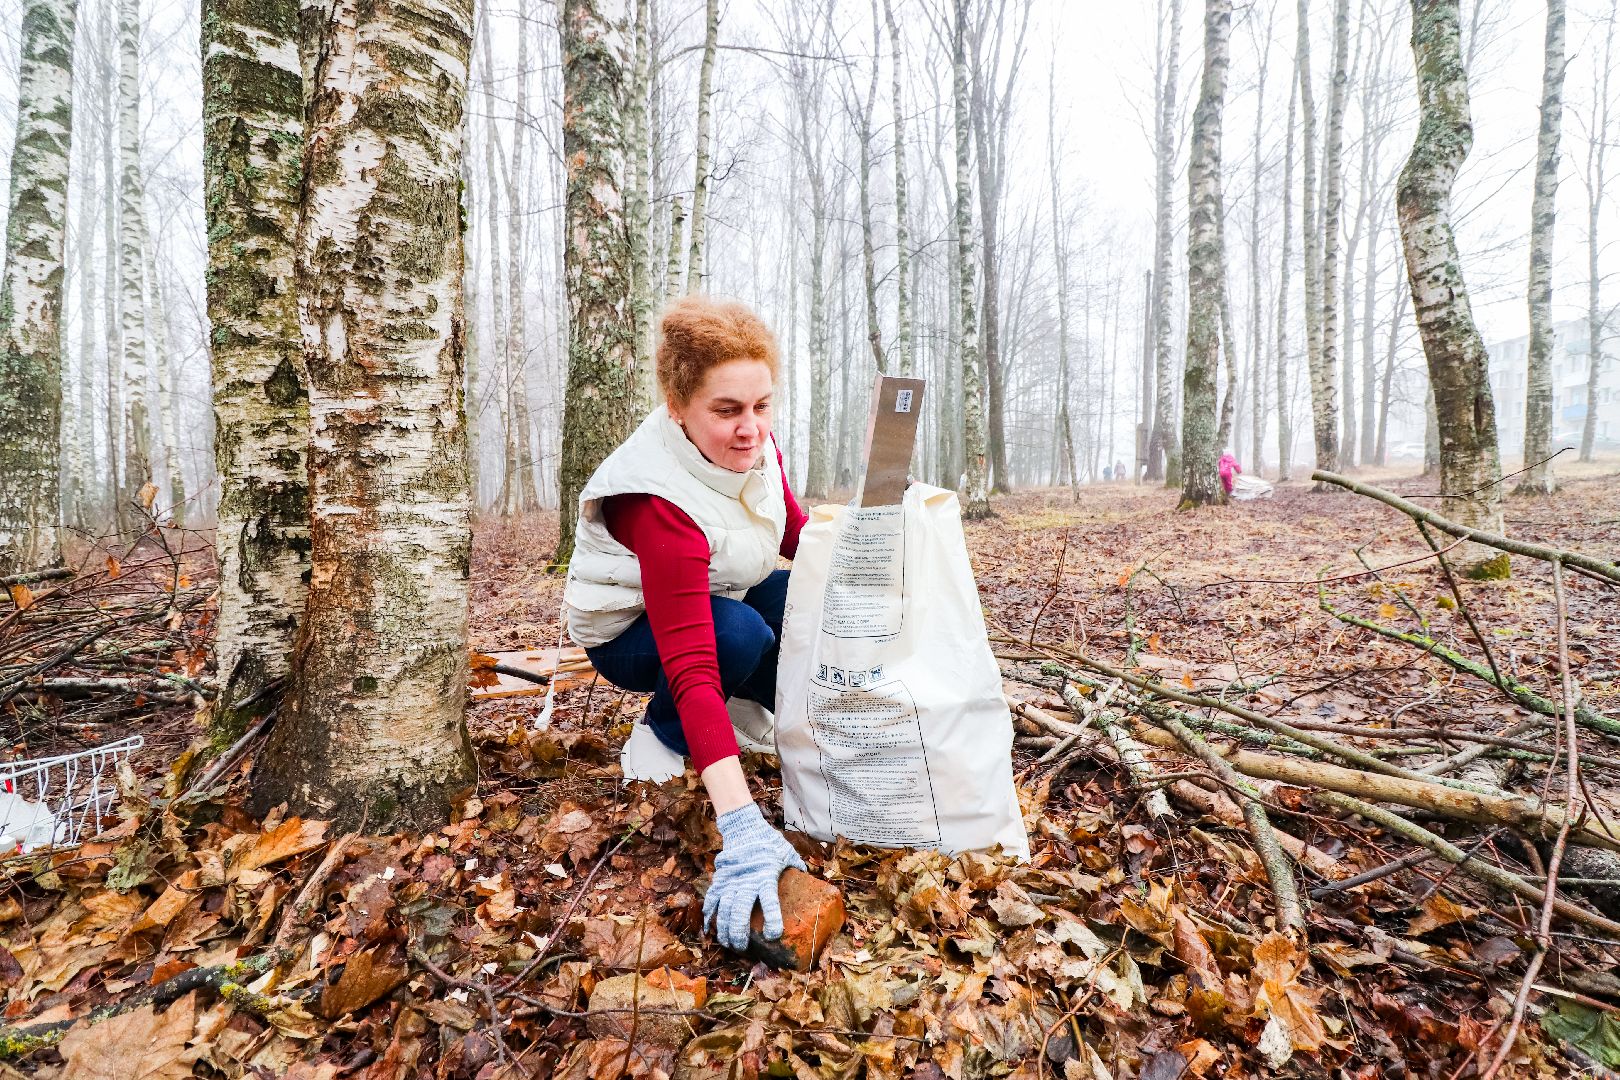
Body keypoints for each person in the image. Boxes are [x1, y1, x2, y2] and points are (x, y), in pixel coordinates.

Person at [562, 296, 809, 954]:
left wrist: (875, 568)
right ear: (678, 406)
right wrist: (742, 824)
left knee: (798, 597)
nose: (750, 428)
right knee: (738, 638)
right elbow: (694, 659)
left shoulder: (753, 444)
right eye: (726, 410)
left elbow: (791, 531)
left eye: (761, 406)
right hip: (630, 633)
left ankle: (753, 715)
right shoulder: (654, 499)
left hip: (716, 587)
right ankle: (661, 735)